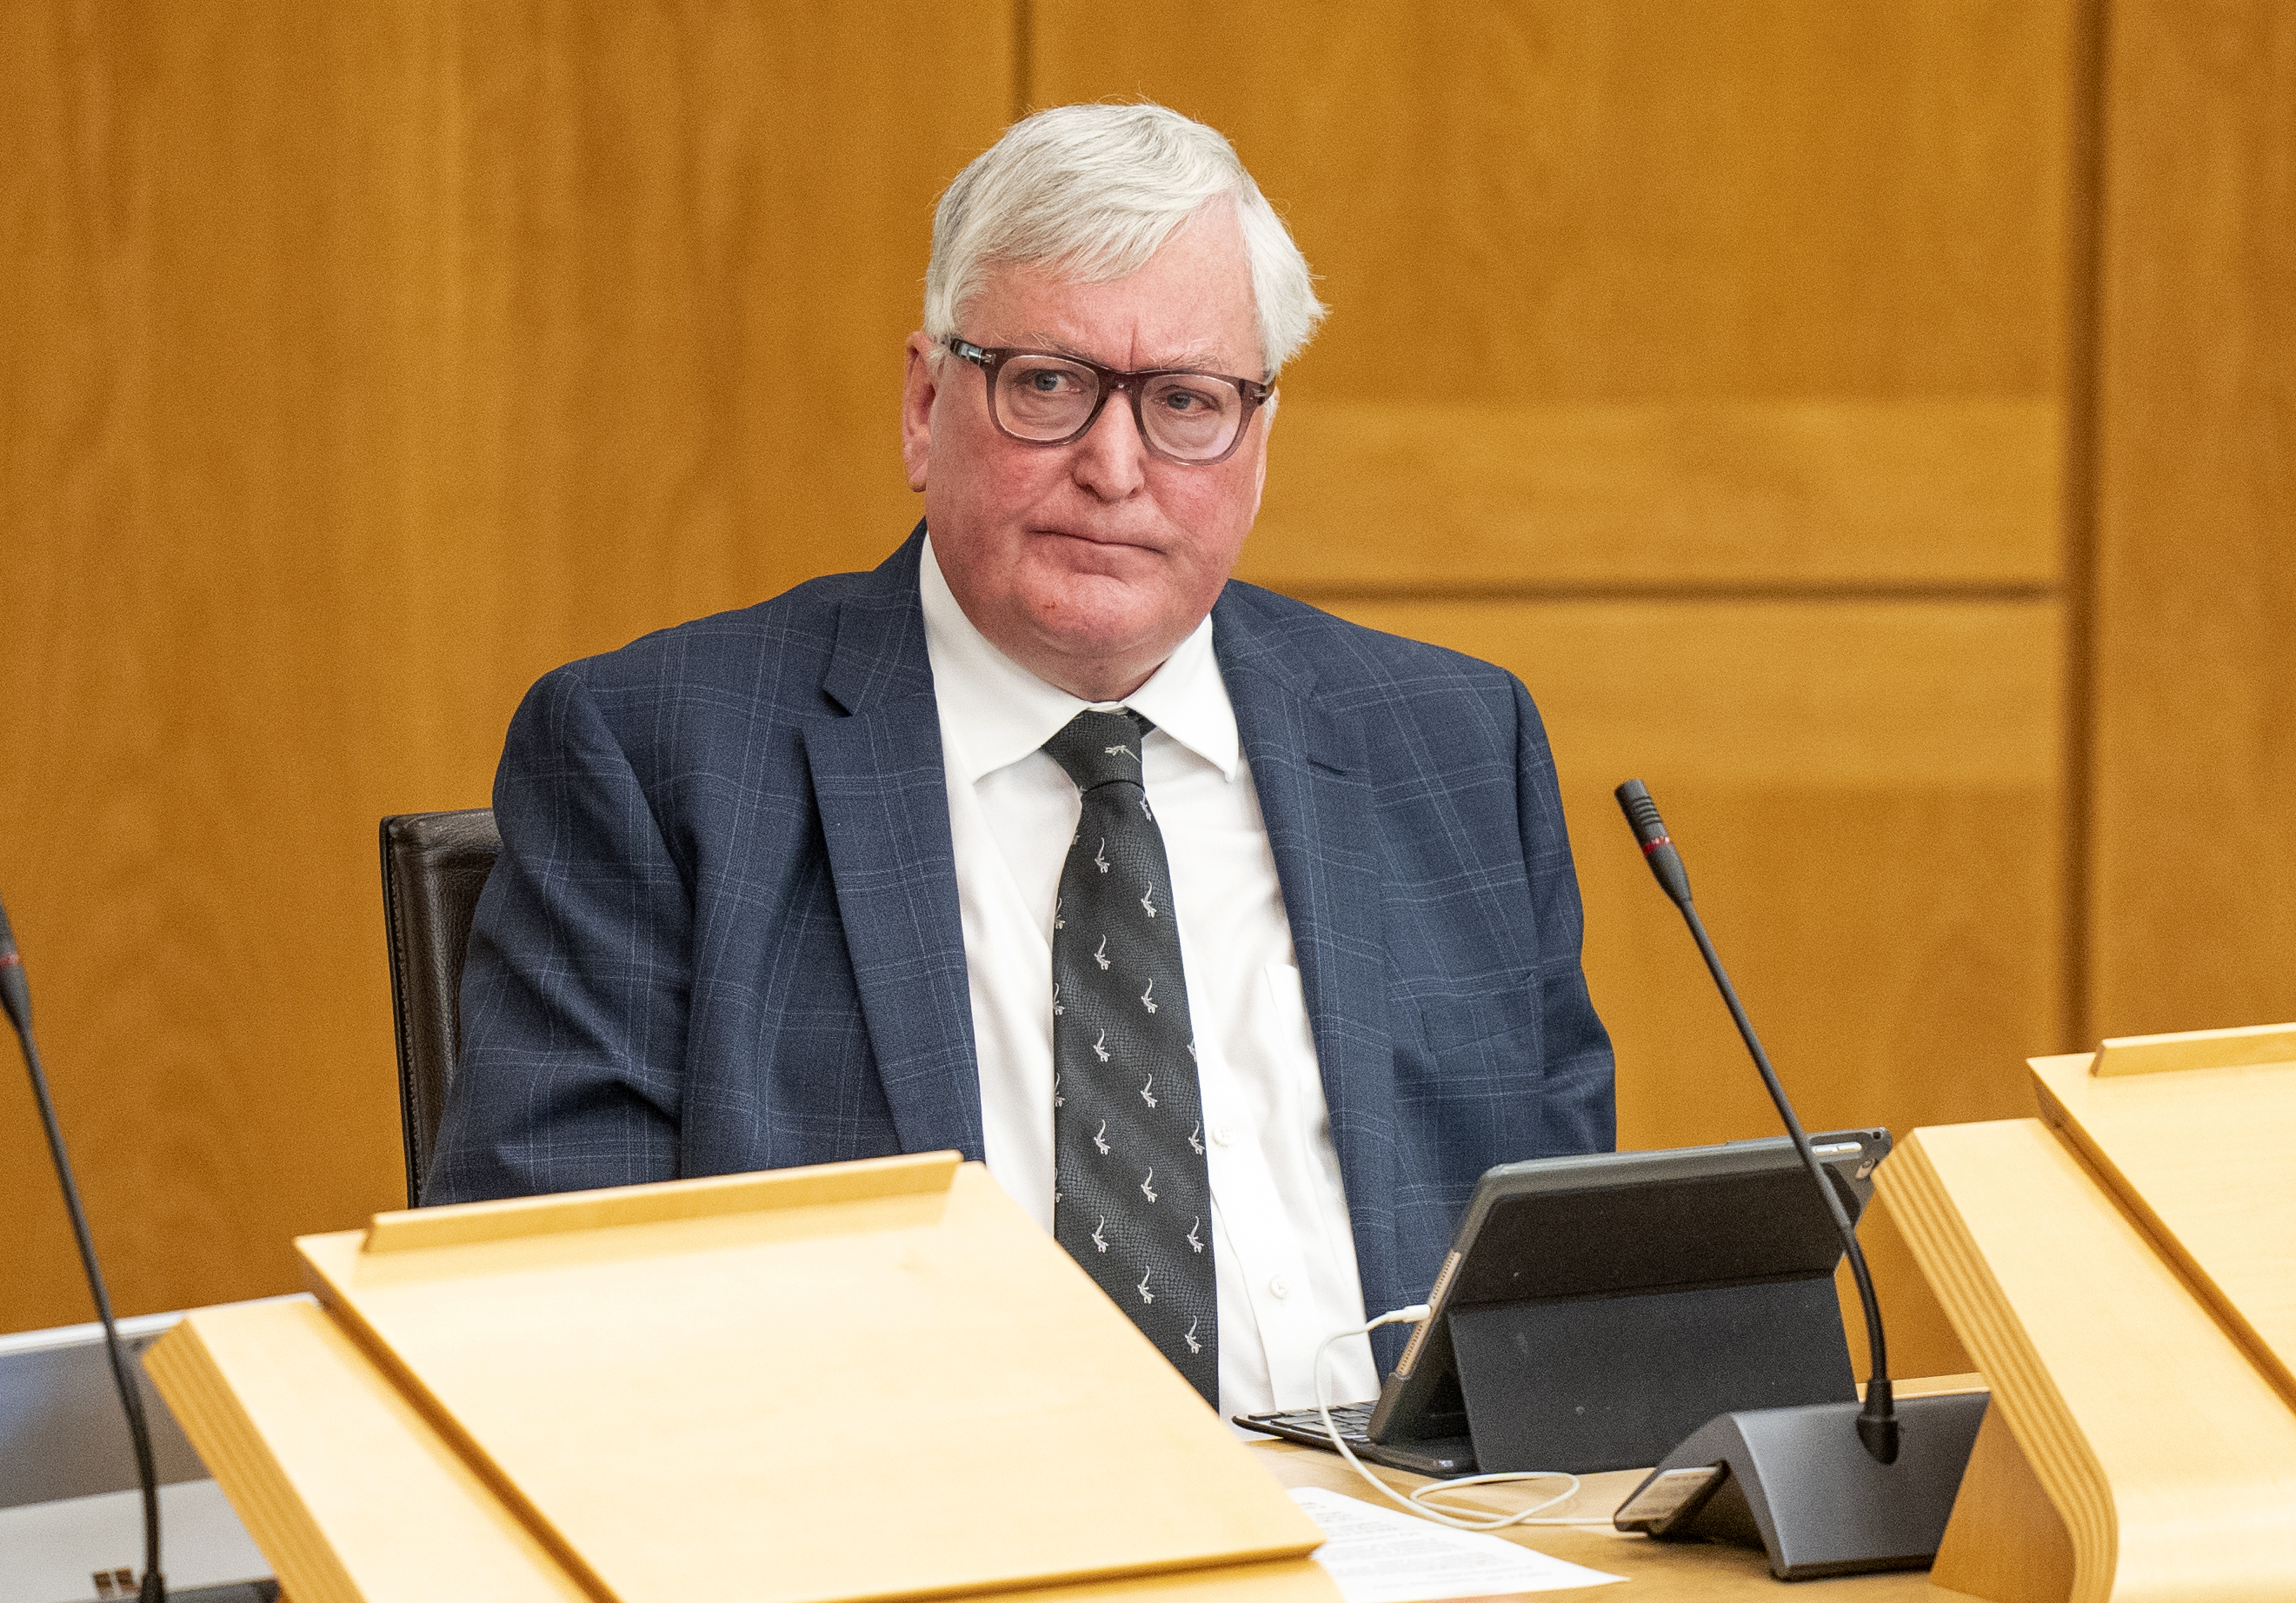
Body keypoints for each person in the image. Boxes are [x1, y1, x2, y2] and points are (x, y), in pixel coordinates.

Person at [424, 103, 1614, 1420]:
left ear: (1257, 443)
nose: (1115, 466)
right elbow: (546, 1316)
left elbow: (1555, 1306)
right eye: (1047, 383)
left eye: (1186, 403)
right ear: (928, 404)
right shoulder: (659, 755)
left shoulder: (1448, 745)